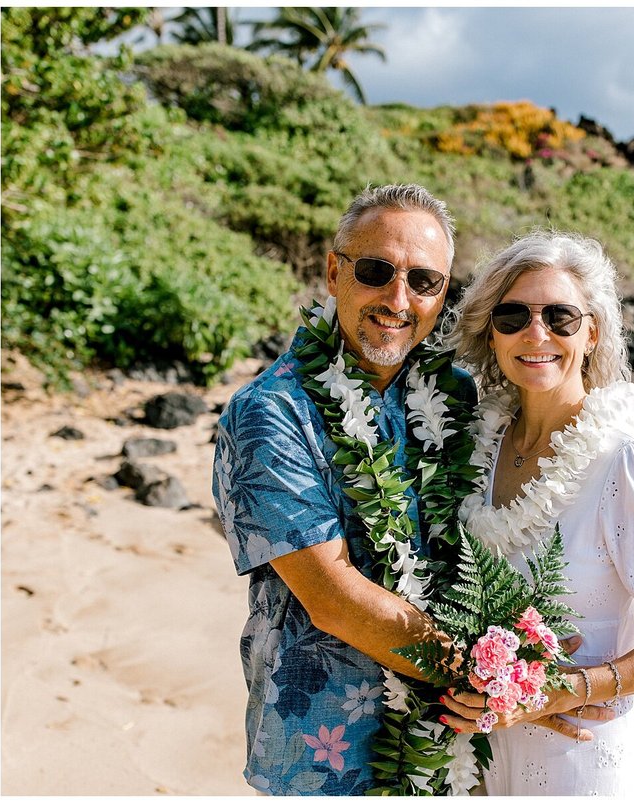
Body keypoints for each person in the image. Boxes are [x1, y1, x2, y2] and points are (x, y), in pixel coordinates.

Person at [211, 186, 597, 796]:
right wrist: (504, 683)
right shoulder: (271, 415)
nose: (398, 299)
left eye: (423, 281)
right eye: (376, 271)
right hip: (322, 753)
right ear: (335, 272)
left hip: (452, 748)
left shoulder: (458, 398)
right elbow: (334, 599)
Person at [442, 230, 634, 796]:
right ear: (491, 332)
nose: (536, 334)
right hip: (477, 757)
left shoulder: (628, 464)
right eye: (513, 316)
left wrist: (568, 689)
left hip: (578, 761)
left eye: (560, 316)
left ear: (593, 330)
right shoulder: (479, 446)